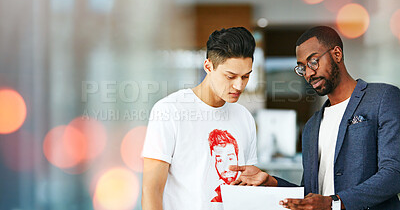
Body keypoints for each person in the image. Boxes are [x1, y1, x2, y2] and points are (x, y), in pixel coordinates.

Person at [230, 26, 400, 210]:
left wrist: (334, 203)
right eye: (302, 68)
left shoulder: (382, 98)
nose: (309, 74)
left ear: (336, 54)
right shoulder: (312, 126)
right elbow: (312, 194)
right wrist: (271, 181)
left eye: (313, 62)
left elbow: (394, 172)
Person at [141, 27, 258, 210]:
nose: (239, 85)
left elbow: (246, 186)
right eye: (230, 76)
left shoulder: (244, 118)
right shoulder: (169, 110)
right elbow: (152, 190)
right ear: (208, 66)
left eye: (245, 76)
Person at [208, 129, 240, 202]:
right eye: (219, 161)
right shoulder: (212, 195)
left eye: (230, 158)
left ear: (237, 157)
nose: (226, 168)